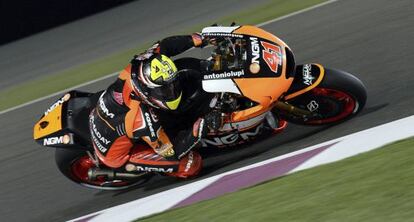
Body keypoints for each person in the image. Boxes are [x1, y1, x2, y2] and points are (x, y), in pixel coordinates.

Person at [88, 33, 220, 178]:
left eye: (172, 86)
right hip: (116, 154)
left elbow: (164, 46)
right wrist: (202, 126)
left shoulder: (139, 65)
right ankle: (130, 167)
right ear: (146, 90)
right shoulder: (140, 120)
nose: (172, 92)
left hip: (109, 114)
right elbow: (172, 153)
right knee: (190, 165)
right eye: (164, 90)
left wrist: (199, 39)